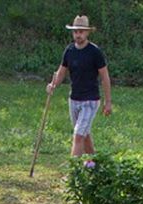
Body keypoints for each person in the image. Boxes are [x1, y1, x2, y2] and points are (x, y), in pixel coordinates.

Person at [46, 15, 112, 158]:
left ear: (87, 33)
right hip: (74, 99)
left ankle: (73, 172)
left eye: (81, 32)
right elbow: (61, 72)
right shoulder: (69, 51)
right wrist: (53, 85)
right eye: (76, 32)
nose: (78, 35)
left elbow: (105, 77)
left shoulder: (95, 52)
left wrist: (108, 102)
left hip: (90, 100)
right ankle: (94, 166)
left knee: (78, 136)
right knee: (84, 134)